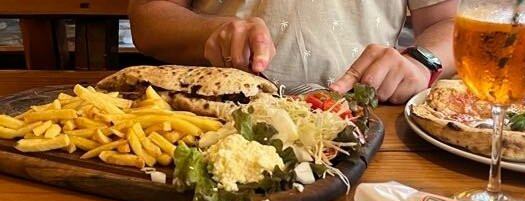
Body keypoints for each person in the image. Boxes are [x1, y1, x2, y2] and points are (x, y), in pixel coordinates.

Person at [128, 0, 457, 104]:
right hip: (213, 110)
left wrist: (422, 62)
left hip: (369, 116)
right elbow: (148, 19)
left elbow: (449, 22)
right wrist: (211, 33)